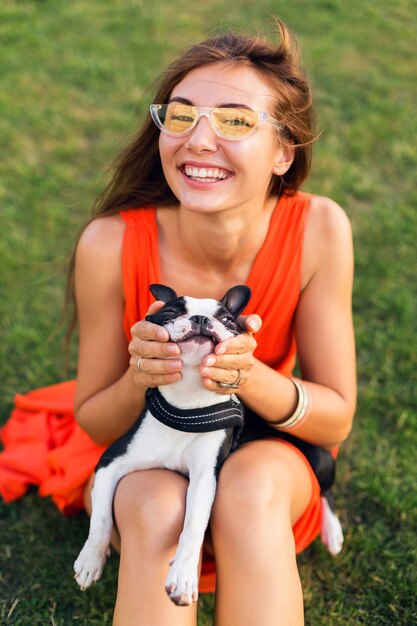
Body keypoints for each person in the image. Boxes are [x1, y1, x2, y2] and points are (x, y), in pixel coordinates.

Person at [0, 18, 356, 626]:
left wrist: (244, 376)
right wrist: (142, 377)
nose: (199, 139)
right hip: (146, 449)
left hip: (257, 447)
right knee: (157, 503)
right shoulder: (108, 243)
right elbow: (94, 417)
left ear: (282, 151)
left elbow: (335, 418)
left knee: (249, 491)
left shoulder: (319, 228)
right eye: (182, 114)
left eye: (236, 120)